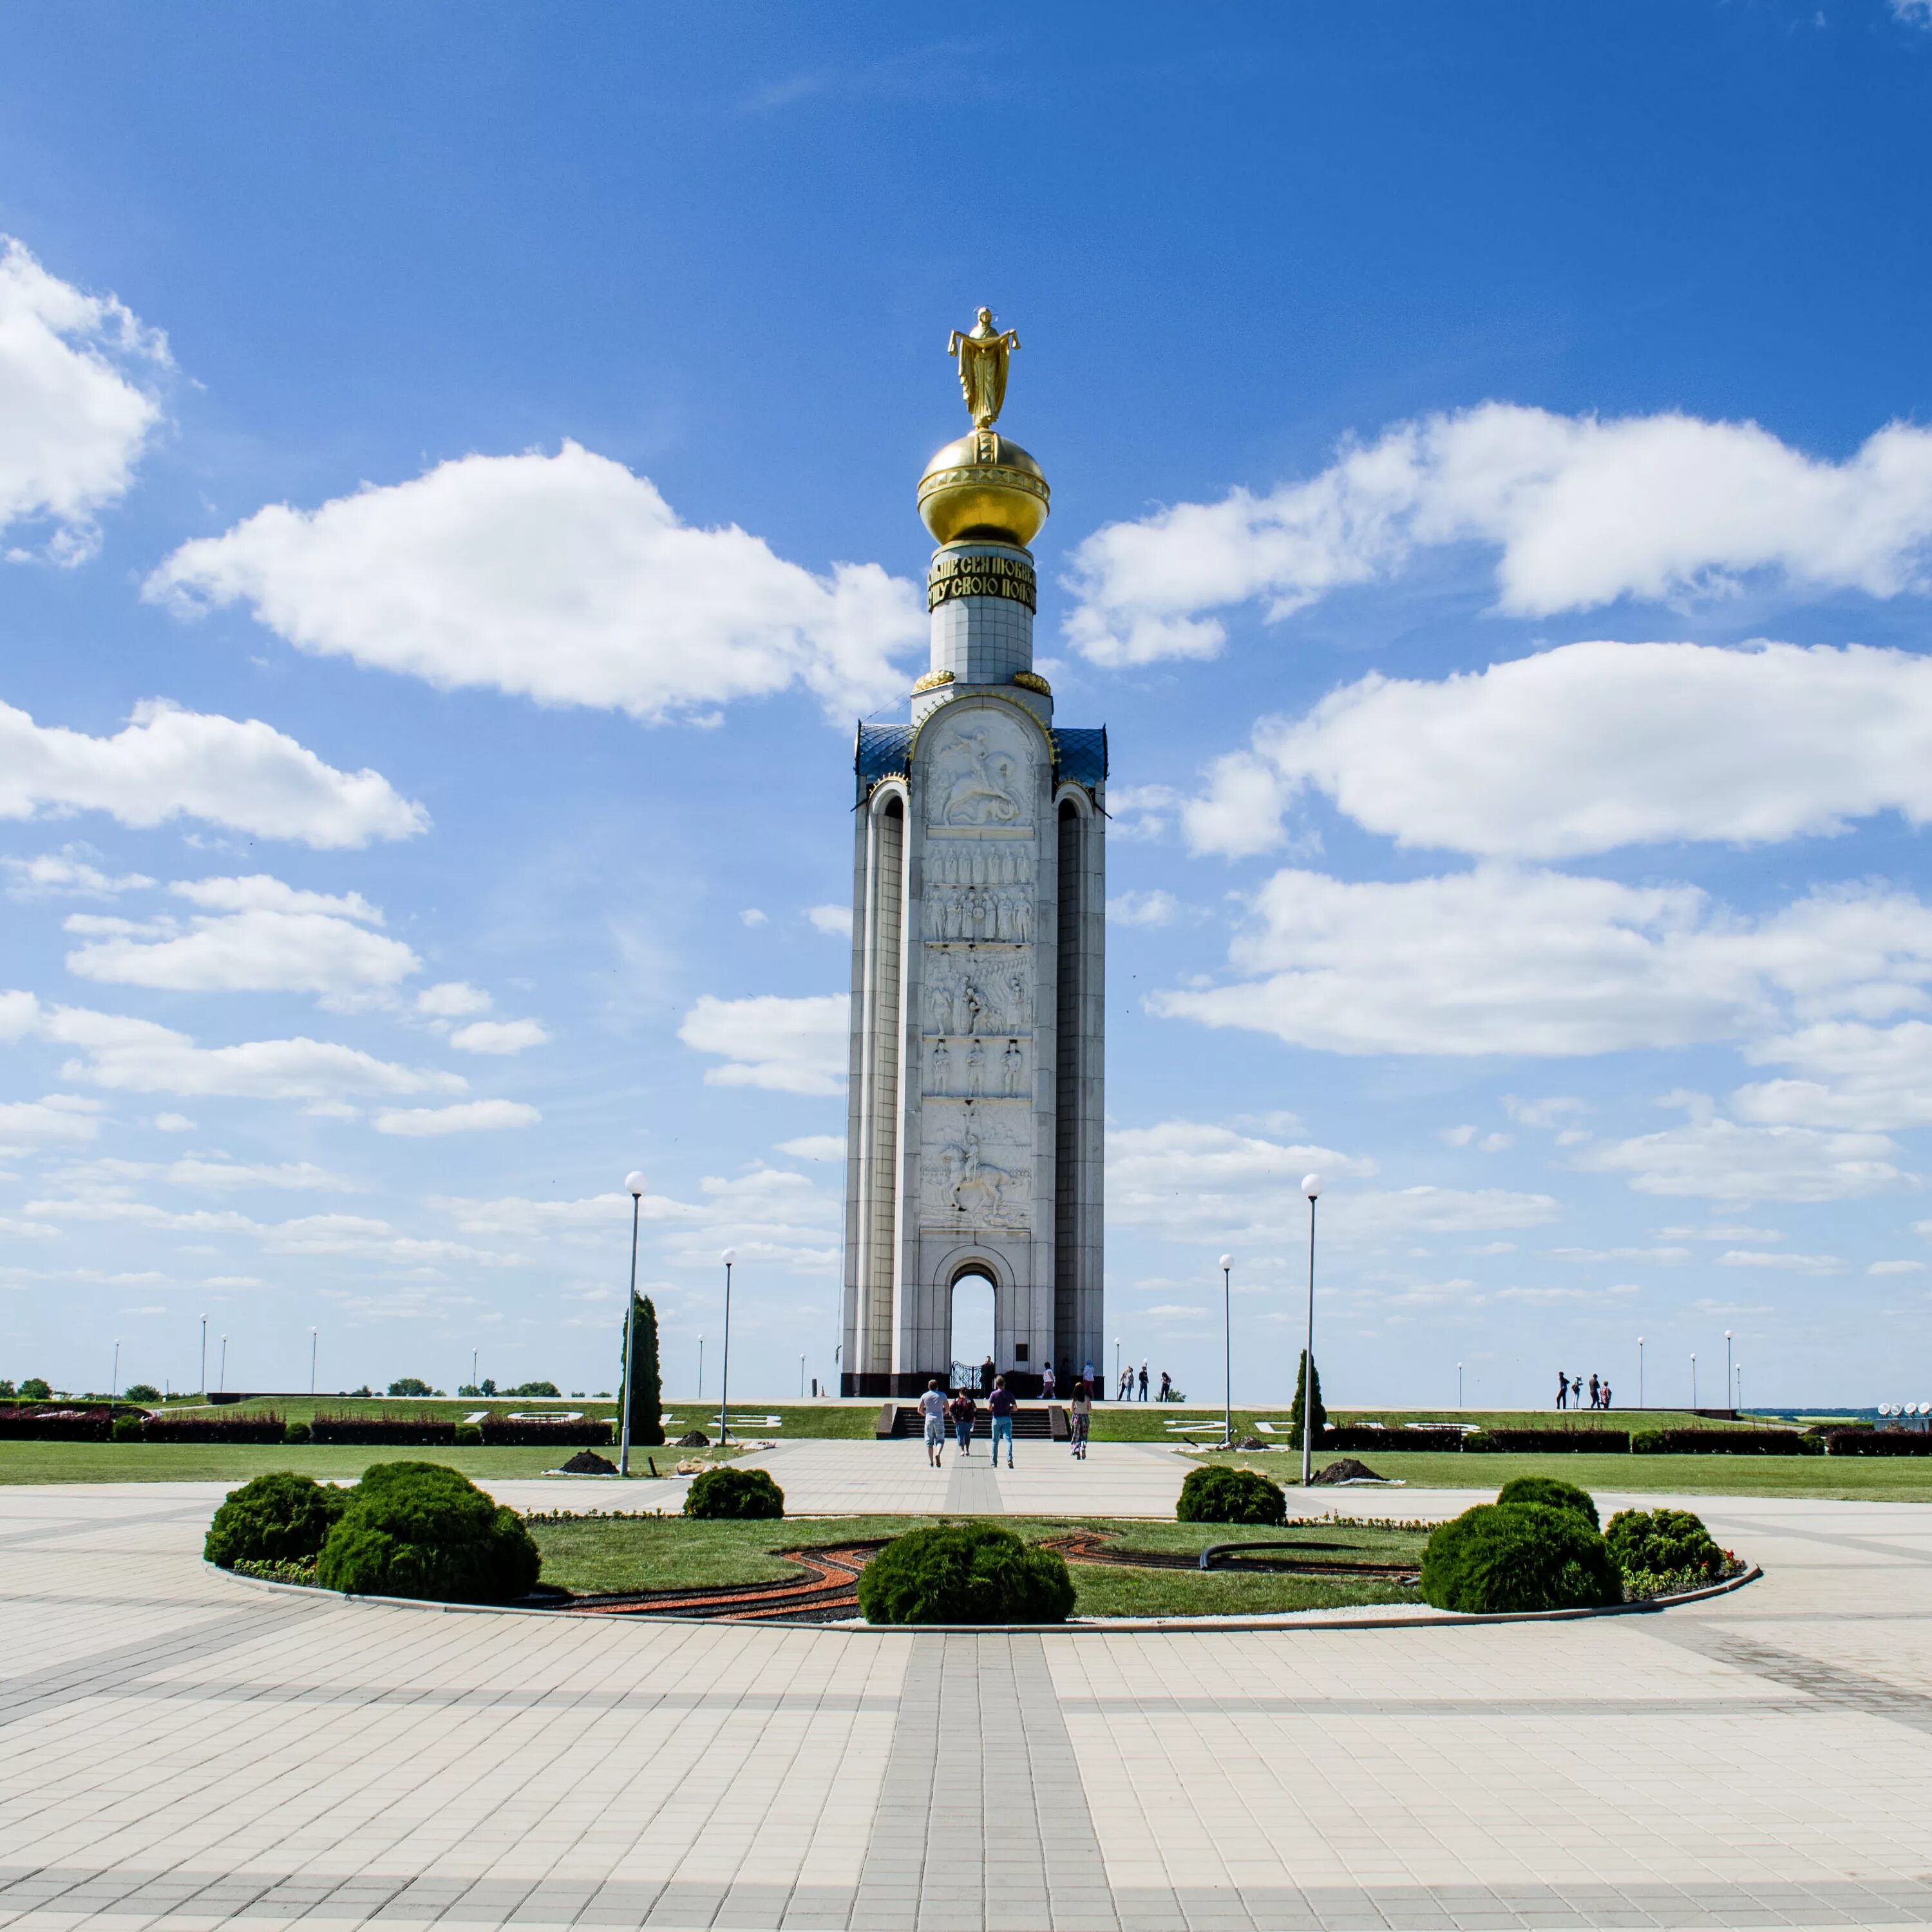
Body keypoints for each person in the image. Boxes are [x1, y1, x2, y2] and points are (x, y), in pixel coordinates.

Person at [988, 1374, 1016, 1467]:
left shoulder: (993, 1394)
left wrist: (995, 1408)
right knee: (1008, 1440)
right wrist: (1010, 1408)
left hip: (996, 1418)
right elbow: (1015, 1408)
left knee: (995, 1441)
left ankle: (994, 1462)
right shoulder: (1009, 1394)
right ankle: (1009, 1459)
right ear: (1004, 1384)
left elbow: (989, 1408)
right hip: (1007, 1418)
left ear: (996, 1384)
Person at [919, 1378, 947, 1468]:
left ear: (928, 1386)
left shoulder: (924, 1396)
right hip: (939, 1419)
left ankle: (931, 1462)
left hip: (929, 1419)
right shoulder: (942, 1395)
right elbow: (948, 1408)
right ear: (937, 1387)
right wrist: (943, 1413)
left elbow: (919, 1410)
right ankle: (938, 1454)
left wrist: (925, 1414)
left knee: (929, 1442)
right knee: (940, 1439)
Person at [949, 1386, 976, 1458]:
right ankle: (967, 1450)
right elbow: (975, 1410)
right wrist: (974, 1420)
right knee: (967, 1435)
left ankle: (962, 1451)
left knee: (960, 1436)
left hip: (959, 1421)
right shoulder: (970, 1401)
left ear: (960, 1393)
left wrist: (954, 1419)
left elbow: (951, 1410)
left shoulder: (957, 1400)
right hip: (968, 1421)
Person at [1070, 1378, 1092, 1459]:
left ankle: (1077, 1451)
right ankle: (1083, 1447)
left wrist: (1077, 1409)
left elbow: (1072, 1410)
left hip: (1076, 1418)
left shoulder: (1074, 1399)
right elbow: (1090, 1410)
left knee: (1076, 1435)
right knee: (1084, 1435)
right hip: (1085, 1418)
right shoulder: (1087, 1398)